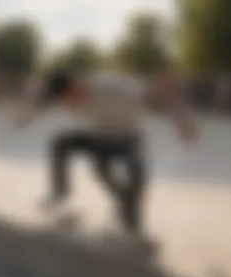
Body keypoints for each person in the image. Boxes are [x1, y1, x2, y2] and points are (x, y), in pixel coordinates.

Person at [17, 69, 198, 236]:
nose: (71, 105)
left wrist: (182, 122)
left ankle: (131, 220)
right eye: (66, 102)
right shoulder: (68, 97)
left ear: (79, 85)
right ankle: (60, 192)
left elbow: (159, 94)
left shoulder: (113, 89)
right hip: (100, 138)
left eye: (72, 98)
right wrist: (25, 117)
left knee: (135, 172)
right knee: (62, 143)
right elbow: (41, 99)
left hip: (128, 137)